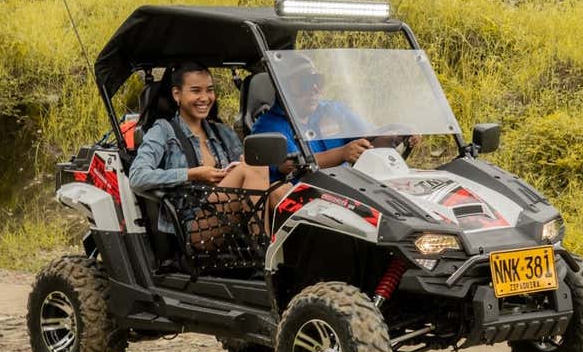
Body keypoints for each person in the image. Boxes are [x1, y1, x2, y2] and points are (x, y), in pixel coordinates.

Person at [129, 62, 285, 245]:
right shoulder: (163, 131)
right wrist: (192, 174)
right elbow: (137, 177)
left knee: (282, 190)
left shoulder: (223, 132)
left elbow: (246, 172)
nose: (205, 97)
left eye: (209, 90)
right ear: (176, 94)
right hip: (194, 227)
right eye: (196, 91)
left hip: (232, 218)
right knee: (252, 167)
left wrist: (235, 168)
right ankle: (264, 248)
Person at [251, 55, 418, 182]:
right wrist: (343, 153)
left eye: (317, 81)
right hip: (302, 202)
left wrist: (397, 136)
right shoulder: (267, 127)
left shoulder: (333, 109)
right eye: (304, 83)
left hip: (348, 188)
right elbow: (293, 165)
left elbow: (370, 138)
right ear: (284, 88)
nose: (314, 89)